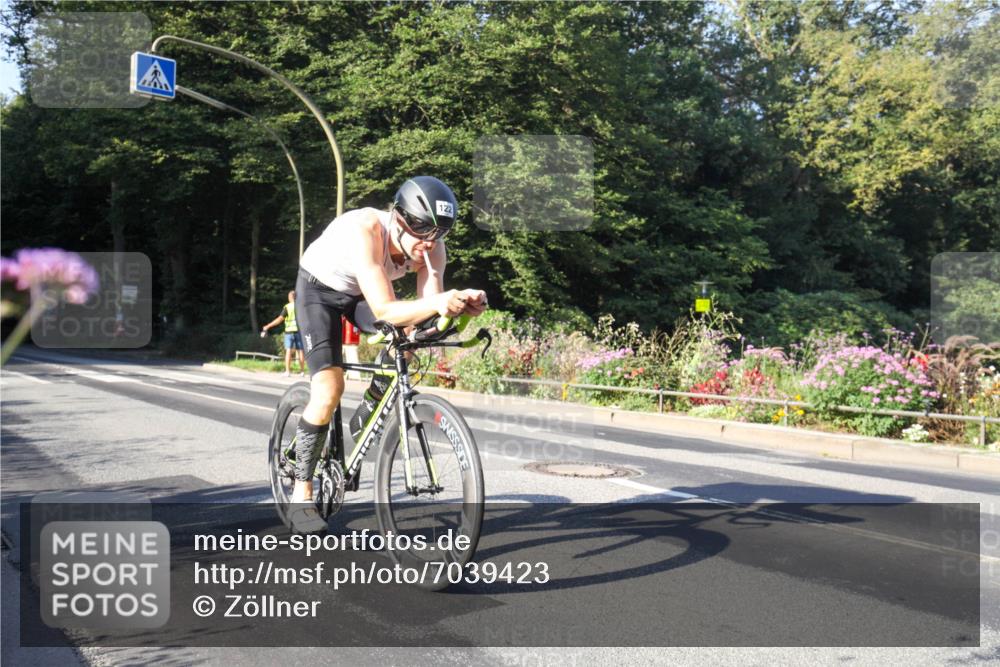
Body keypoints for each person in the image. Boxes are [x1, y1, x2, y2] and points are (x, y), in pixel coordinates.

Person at [290, 176, 487, 533]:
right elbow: (383, 309)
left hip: (359, 294)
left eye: (439, 233)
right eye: (422, 230)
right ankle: (301, 494)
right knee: (329, 388)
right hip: (319, 291)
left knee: (409, 339)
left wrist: (459, 307)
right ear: (398, 218)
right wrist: (440, 303)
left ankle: (369, 408)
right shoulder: (366, 230)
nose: (429, 243)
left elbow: (427, 314)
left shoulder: (432, 249)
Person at [261, 291, 306, 377]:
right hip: (299, 331)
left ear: (290, 297)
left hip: (289, 332)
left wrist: (268, 326)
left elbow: (279, 319)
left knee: (288, 350)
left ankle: (288, 372)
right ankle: (302, 372)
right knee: (300, 351)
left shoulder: (287, 307)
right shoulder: (301, 306)